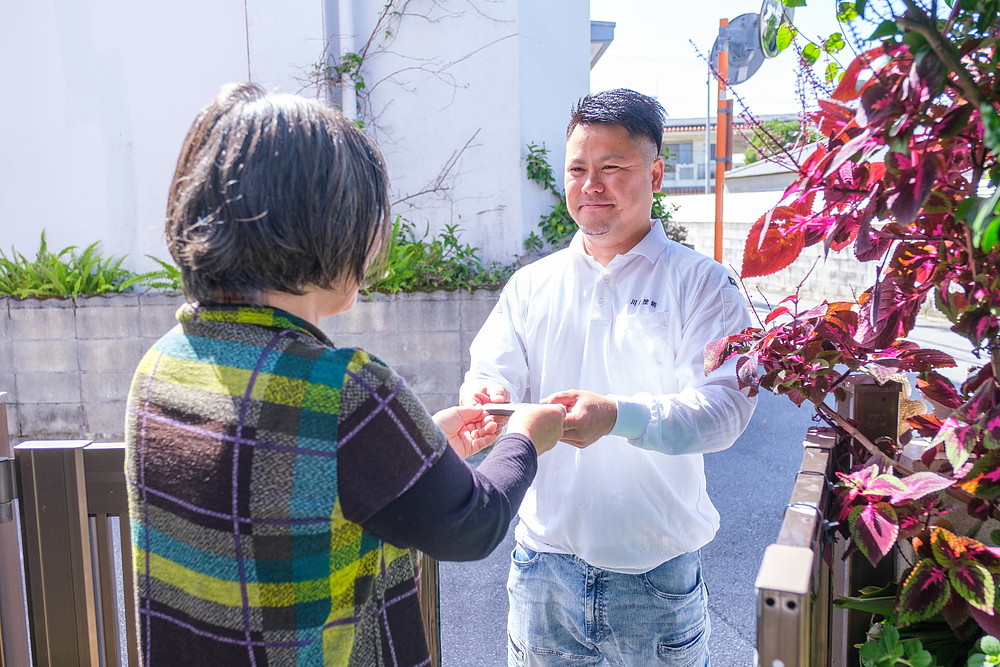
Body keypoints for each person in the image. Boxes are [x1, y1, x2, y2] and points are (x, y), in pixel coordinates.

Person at [124, 82, 570, 667]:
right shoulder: (344, 391)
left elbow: (299, 478)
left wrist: (413, 450)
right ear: (321, 223)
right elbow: (471, 524)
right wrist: (526, 437)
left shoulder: (160, 365)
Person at [460, 88, 757, 666]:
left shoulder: (705, 284)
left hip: (655, 577)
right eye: (577, 168)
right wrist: (486, 395)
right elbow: (490, 370)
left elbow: (724, 412)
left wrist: (617, 416)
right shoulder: (531, 285)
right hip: (540, 570)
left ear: (657, 174)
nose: (590, 185)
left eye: (612, 167)